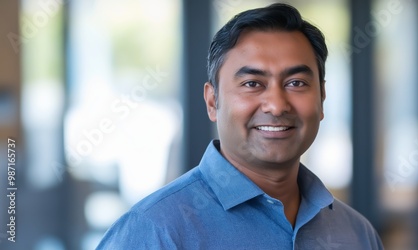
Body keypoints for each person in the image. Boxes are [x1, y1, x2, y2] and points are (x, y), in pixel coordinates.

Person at [97, 3, 384, 249]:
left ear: (321, 98)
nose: (276, 104)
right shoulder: (155, 230)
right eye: (252, 84)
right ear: (212, 101)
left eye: (296, 83)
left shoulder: (356, 234)